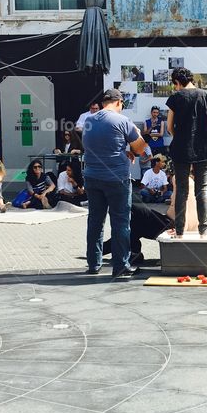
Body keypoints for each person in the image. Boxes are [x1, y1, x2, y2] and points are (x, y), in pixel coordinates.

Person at [82, 89, 147, 278]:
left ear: (104, 103)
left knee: (95, 221)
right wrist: (135, 135)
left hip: (92, 176)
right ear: (118, 103)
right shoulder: (122, 121)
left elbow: (96, 145)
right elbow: (141, 148)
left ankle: (94, 263)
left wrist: (122, 150)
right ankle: (121, 266)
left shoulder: (89, 120)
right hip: (116, 178)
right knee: (120, 222)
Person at [166, 67, 207, 238]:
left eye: (175, 85)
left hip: (181, 148)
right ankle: (204, 231)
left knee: (181, 190)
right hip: (204, 147)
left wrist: (179, 137)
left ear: (177, 82)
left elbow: (169, 126)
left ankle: (179, 232)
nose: (176, 88)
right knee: (201, 189)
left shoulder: (175, 98)